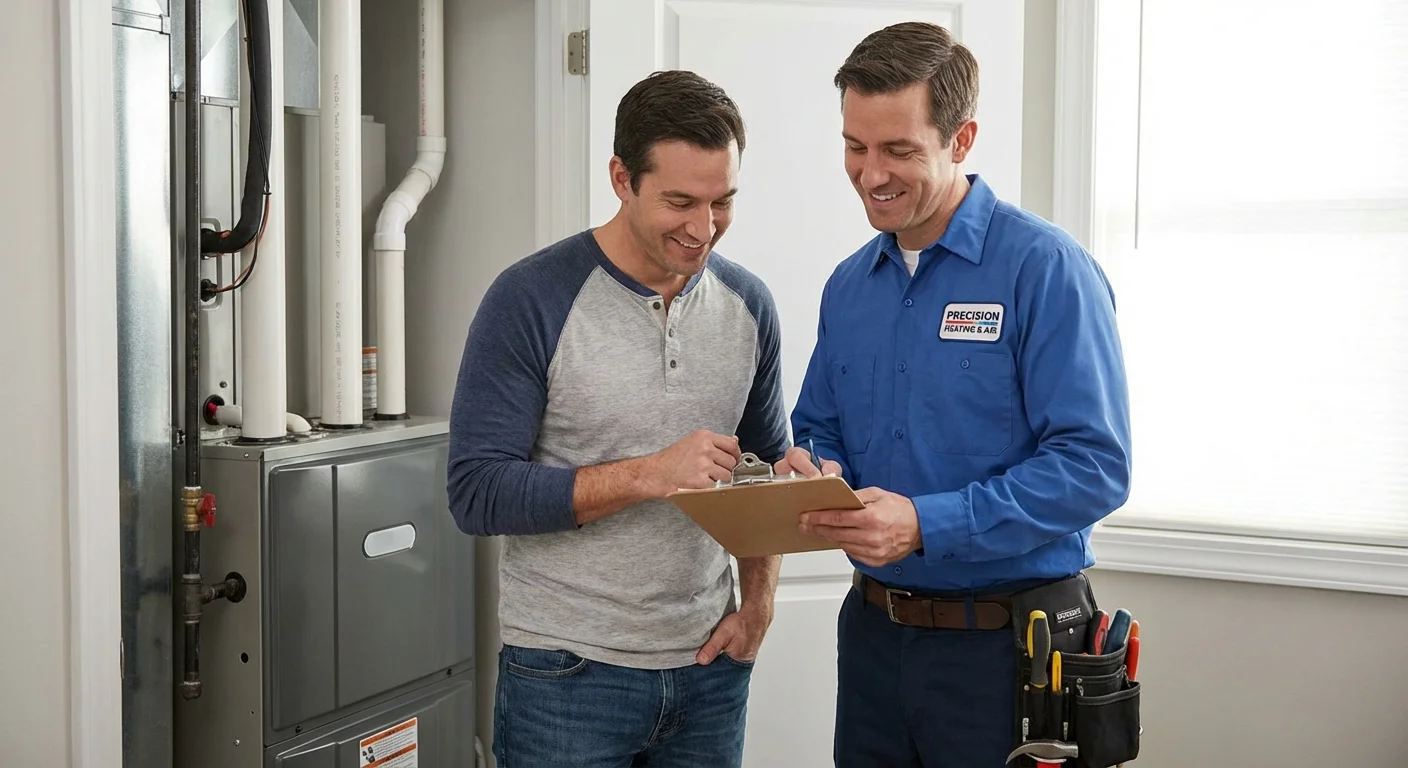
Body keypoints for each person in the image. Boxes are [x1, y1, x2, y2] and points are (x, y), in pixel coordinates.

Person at [773, 22, 1133, 767]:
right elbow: (818, 426)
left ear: (961, 138)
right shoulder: (847, 287)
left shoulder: (1045, 269)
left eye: (899, 150)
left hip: (1006, 653)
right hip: (871, 638)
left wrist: (925, 523)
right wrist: (813, 471)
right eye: (855, 146)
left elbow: (1095, 466)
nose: (871, 174)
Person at [446, 69, 788, 768]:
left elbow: (763, 476)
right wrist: (649, 475)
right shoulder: (530, 299)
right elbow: (477, 493)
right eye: (680, 201)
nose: (703, 229)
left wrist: (758, 604)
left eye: (722, 201)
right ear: (621, 178)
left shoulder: (749, 305)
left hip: (708, 672)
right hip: (566, 676)